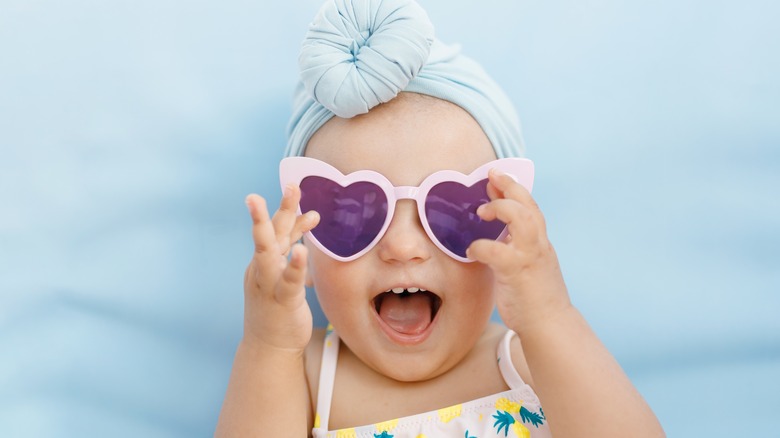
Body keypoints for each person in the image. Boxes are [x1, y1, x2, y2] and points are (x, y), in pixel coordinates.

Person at [216, 0, 665, 436]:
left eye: (451, 211)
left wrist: (549, 316)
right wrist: (267, 343)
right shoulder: (306, 373)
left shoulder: (528, 359)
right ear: (305, 245)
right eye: (353, 214)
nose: (403, 247)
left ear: (506, 235)